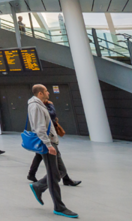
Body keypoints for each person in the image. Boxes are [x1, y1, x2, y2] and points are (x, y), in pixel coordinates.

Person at [27, 85, 78, 218]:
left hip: (52, 142)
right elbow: (39, 127)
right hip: (47, 145)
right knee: (53, 175)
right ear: (40, 93)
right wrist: (48, 145)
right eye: (46, 91)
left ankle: (38, 186)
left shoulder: (40, 104)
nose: (48, 93)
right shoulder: (35, 106)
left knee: (61, 171)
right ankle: (59, 207)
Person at [28, 99, 80, 187]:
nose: (48, 94)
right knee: (55, 162)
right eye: (46, 92)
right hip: (47, 137)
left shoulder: (38, 105)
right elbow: (52, 115)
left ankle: (32, 175)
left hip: (46, 138)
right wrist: (51, 105)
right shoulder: (38, 106)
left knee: (41, 156)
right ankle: (40, 184)